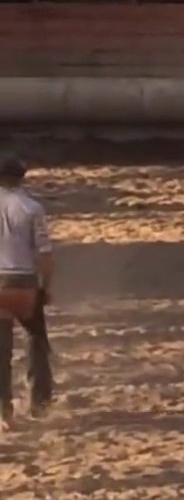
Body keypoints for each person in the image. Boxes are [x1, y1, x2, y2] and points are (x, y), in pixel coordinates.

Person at [0, 153, 55, 429]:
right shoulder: (32, 208)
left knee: (1, 350)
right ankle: (39, 402)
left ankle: (3, 411)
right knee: (36, 339)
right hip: (23, 282)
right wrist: (46, 286)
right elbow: (45, 254)